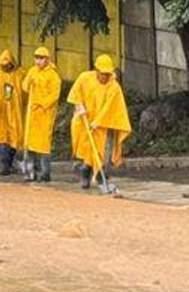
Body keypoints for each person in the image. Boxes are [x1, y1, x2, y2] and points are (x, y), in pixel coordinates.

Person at [67, 54, 131, 192]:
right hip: (85, 121)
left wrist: (98, 122)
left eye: (108, 74)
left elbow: (111, 108)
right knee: (87, 149)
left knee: (103, 152)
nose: (105, 77)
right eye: (102, 74)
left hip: (104, 125)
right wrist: (79, 106)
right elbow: (75, 95)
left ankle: (102, 177)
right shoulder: (85, 78)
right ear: (96, 70)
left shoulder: (114, 87)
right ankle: (86, 174)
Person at [20, 46, 62, 182]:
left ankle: (45, 173)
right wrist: (28, 83)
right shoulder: (32, 71)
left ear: (47, 59)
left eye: (41, 58)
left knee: (43, 145)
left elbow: (54, 95)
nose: (38, 61)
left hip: (45, 114)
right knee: (30, 143)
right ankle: (30, 172)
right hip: (32, 114)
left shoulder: (53, 76)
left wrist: (42, 104)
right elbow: (24, 86)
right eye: (36, 58)